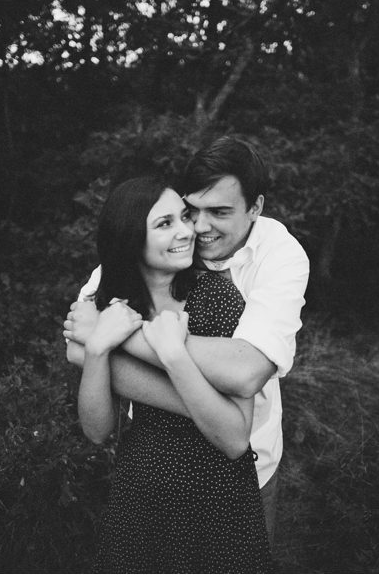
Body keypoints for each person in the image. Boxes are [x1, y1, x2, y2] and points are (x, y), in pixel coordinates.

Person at [63, 136, 310, 553]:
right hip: (146, 477)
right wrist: (205, 402)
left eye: (219, 212)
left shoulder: (275, 260)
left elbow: (244, 374)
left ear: (256, 207)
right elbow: (79, 344)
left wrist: (136, 338)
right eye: (189, 210)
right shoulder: (153, 260)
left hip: (246, 468)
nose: (196, 228)